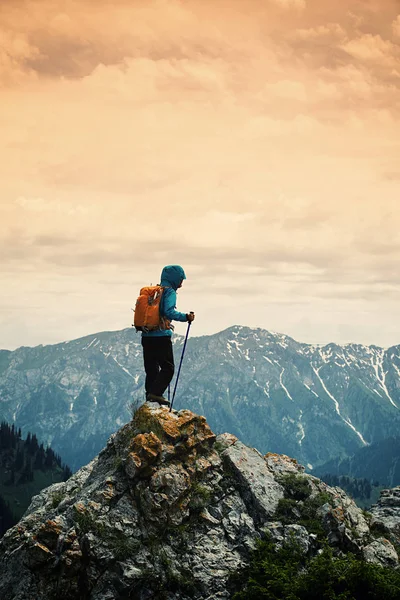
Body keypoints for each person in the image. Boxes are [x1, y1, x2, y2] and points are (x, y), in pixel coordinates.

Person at [142, 265, 195, 406]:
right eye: (180, 280)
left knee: (151, 368)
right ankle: (156, 394)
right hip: (161, 336)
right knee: (168, 368)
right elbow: (168, 311)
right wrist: (186, 317)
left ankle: (149, 396)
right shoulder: (169, 292)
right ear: (174, 278)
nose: (181, 284)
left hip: (147, 336)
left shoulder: (154, 292)